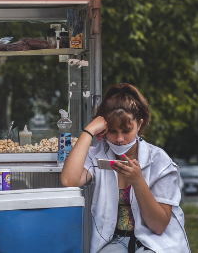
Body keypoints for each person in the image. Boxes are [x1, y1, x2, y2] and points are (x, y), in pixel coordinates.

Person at [61, 83, 189, 253]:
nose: (119, 139)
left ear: (139, 124)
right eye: (113, 131)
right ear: (104, 129)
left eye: (127, 130)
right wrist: (89, 130)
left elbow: (158, 226)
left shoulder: (160, 161)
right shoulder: (98, 153)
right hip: (114, 241)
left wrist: (138, 182)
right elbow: (69, 179)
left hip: (156, 241)